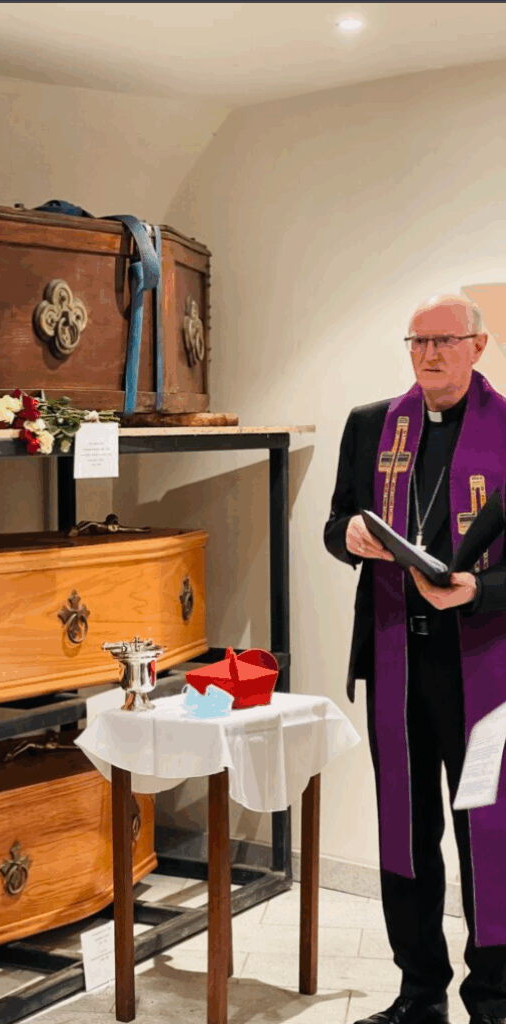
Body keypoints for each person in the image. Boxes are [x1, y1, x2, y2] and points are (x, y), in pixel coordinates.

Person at [324, 294, 506, 1024]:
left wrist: (476, 588)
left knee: (487, 831)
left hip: (484, 667)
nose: (429, 353)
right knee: (405, 831)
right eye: (417, 341)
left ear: (478, 345)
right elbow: (338, 520)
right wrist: (351, 540)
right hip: (399, 661)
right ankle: (418, 992)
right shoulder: (372, 426)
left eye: (445, 340)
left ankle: (493, 999)